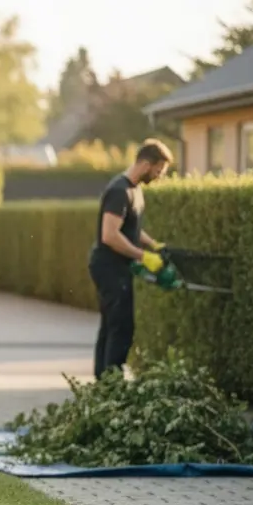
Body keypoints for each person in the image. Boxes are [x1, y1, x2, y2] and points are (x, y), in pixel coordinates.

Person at [88, 138, 174, 381]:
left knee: (110, 326)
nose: (160, 176)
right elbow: (110, 235)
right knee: (121, 327)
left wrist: (152, 244)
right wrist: (143, 256)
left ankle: (104, 384)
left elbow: (130, 228)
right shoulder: (119, 190)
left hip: (116, 266)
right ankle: (111, 384)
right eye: (159, 170)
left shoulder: (134, 190)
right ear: (146, 163)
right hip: (108, 267)